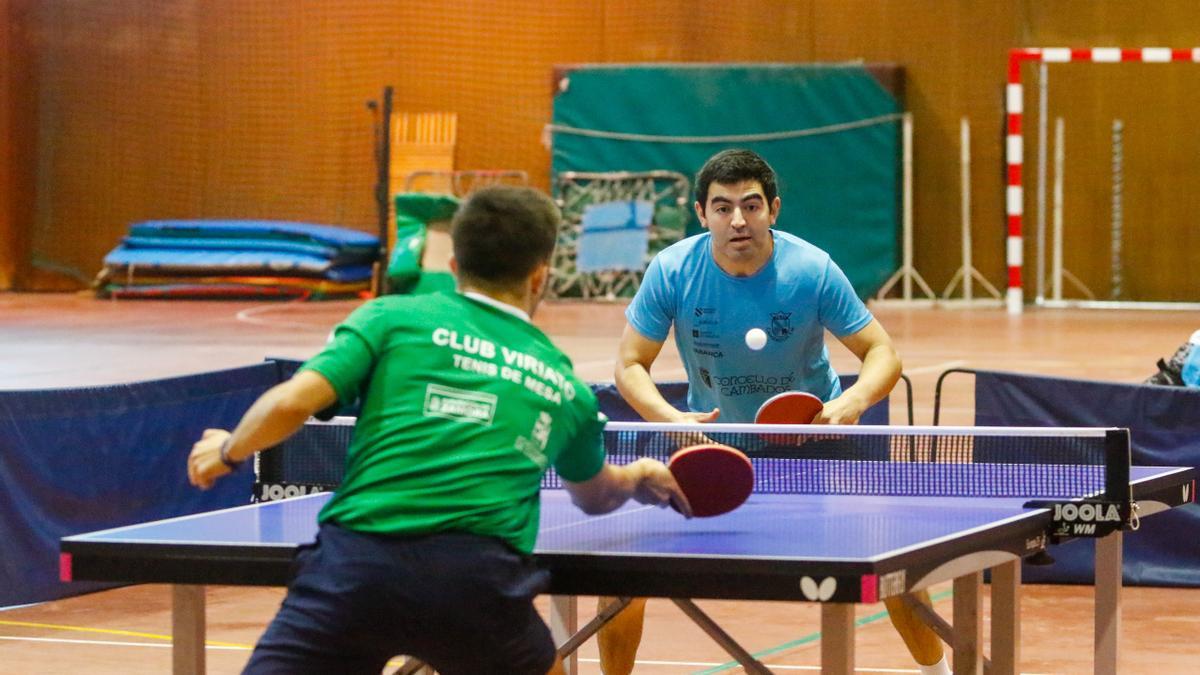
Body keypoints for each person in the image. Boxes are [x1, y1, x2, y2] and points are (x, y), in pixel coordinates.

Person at [187, 185, 691, 675]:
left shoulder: (391, 318)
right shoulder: (562, 382)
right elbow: (595, 496)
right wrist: (638, 474)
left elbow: (294, 400)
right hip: (474, 582)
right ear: (541, 276)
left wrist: (228, 450)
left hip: (356, 567)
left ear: (453, 267)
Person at [599, 149, 949, 675]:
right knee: (619, 575)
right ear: (701, 214)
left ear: (773, 208)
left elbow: (883, 353)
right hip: (712, 448)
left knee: (897, 563)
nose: (737, 220)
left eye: (751, 205)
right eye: (722, 208)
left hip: (817, 445)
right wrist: (671, 419)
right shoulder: (673, 270)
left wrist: (851, 402)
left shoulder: (811, 270)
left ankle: (936, 672)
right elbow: (629, 364)